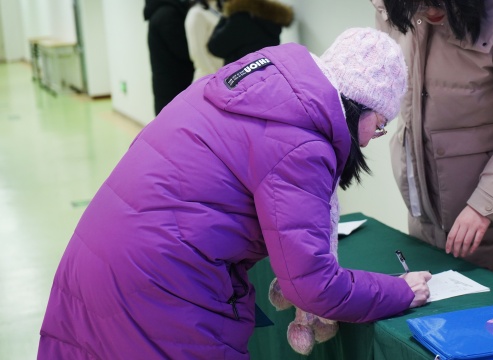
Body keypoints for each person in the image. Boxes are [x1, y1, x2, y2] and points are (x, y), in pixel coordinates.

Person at [37, 28, 432, 359]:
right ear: (358, 106)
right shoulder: (302, 141)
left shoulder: (256, 84)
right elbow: (313, 285)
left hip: (99, 260)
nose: (370, 140)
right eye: (379, 125)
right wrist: (400, 290)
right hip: (158, 286)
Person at [371, 0, 493, 290]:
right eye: (419, 8)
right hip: (423, 221)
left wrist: (484, 203)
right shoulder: (396, 7)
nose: (429, 14)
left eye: (436, 5)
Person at [144, 0, 194, 115]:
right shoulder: (167, 15)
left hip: (168, 86)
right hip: (174, 88)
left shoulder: (161, 13)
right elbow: (184, 51)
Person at [207, 0, 293, 64]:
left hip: (241, 79)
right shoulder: (272, 17)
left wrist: (227, 13)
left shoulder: (241, 19)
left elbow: (215, 47)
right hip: (266, 76)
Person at [185, 0, 225, 81]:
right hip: (208, 79)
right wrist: (216, 78)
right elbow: (198, 54)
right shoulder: (196, 13)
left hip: (223, 75)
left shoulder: (218, 8)